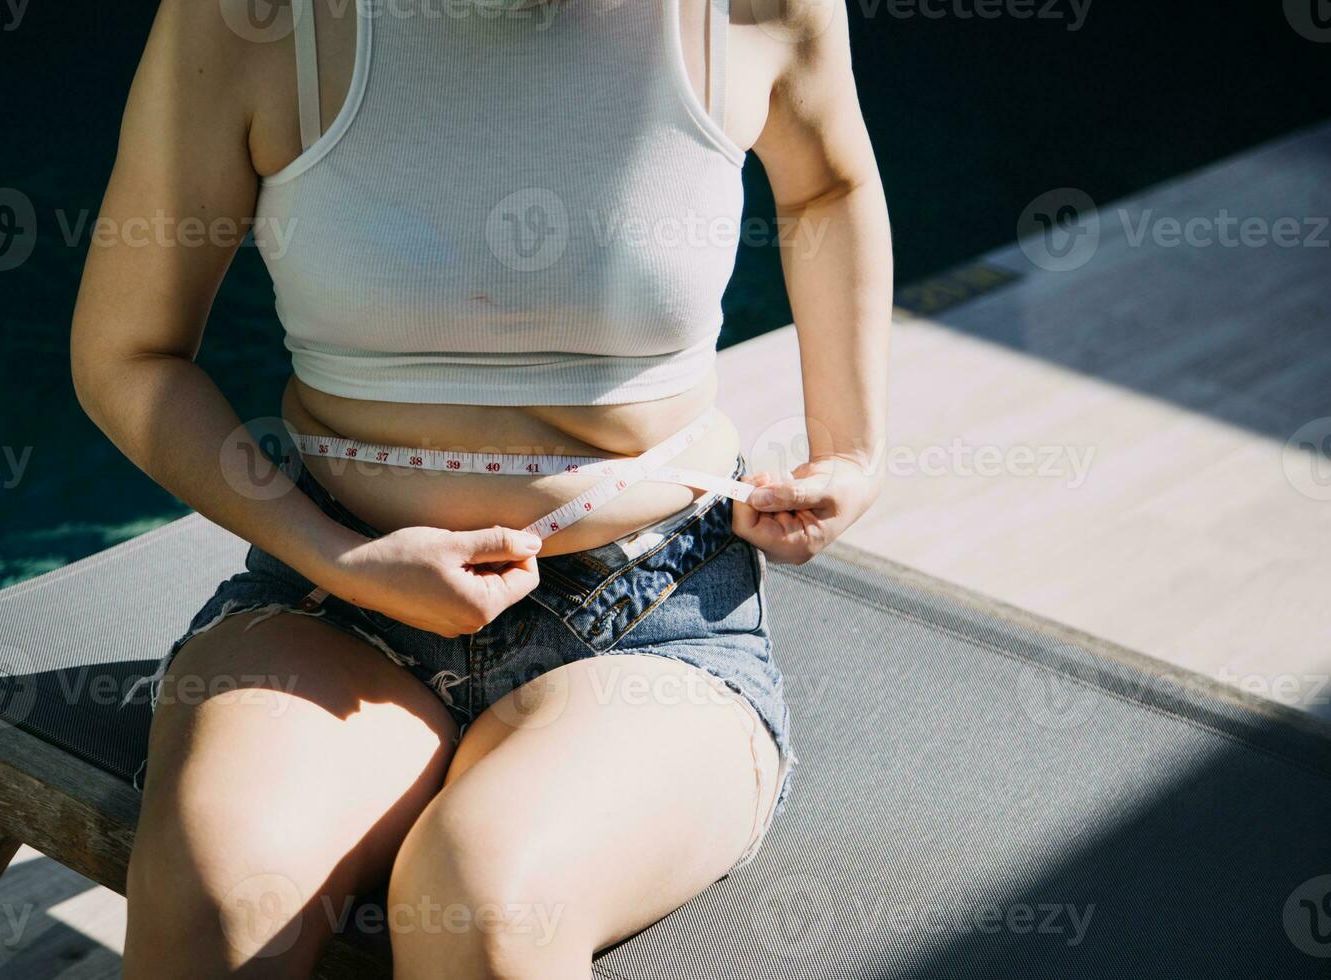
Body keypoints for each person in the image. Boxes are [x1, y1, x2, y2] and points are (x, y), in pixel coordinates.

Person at [70, 0, 891, 975]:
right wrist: (343, 557)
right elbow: (129, 354)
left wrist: (851, 451)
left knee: (485, 902)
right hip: (332, 598)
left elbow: (828, 186)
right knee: (213, 898)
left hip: (656, 614)